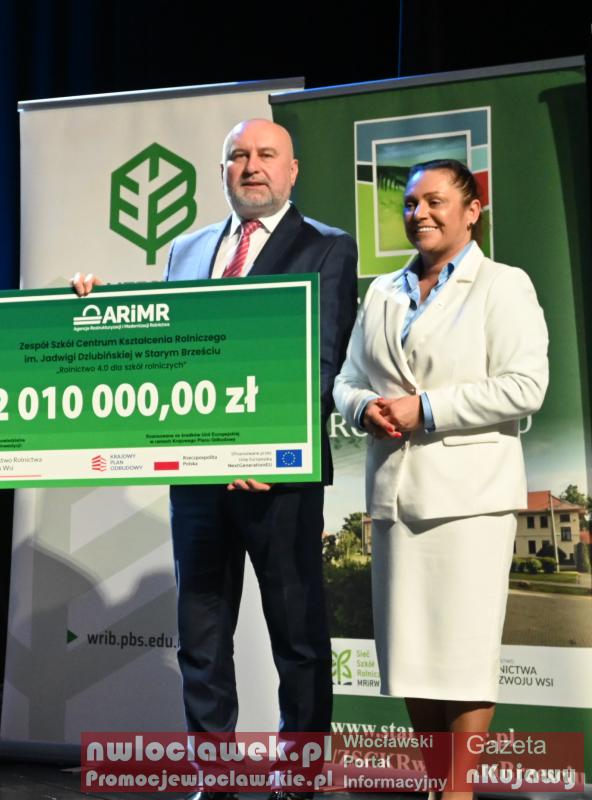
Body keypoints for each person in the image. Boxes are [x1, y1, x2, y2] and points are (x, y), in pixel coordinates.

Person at [74, 119, 357, 800]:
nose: (251, 166)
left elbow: (324, 359)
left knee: (297, 636)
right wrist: (98, 306)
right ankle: (214, 773)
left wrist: (271, 445)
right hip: (198, 477)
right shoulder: (187, 247)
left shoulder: (327, 247)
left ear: (292, 170)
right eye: (238, 156)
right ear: (222, 170)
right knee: (200, 634)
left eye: (266, 155)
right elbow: (164, 343)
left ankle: (300, 776)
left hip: (278, 477)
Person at [333, 159, 547, 799]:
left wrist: (425, 408)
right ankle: (435, 785)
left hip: (470, 500)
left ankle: (458, 792)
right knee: (412, 657)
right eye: (409, 203)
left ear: (472, 210)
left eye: (434, 201)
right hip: (396, 499)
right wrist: (362, 408)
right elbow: (346, 378)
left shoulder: (502, 285)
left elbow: (525, 386)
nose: (418, 213)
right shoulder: (382, 291)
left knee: (463, 656)